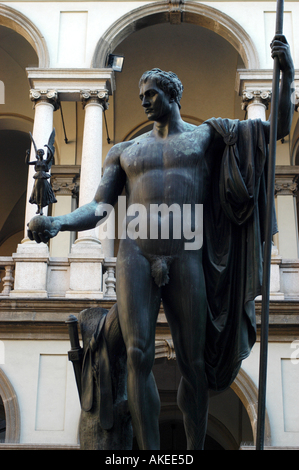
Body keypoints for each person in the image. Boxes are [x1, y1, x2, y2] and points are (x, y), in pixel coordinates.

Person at [28, 36, 294, 450]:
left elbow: (275, 130)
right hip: (136, 251)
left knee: (193, 364)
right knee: (138, 354)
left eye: (150, 94)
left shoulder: (206, 138)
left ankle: (191, 451)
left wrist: (287, 73)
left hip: (186, 252)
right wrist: (60, 221)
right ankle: (151, 454)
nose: (144, 102)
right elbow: (99, 208)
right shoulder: (126, 150)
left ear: (171, 94)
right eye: (141, 96)